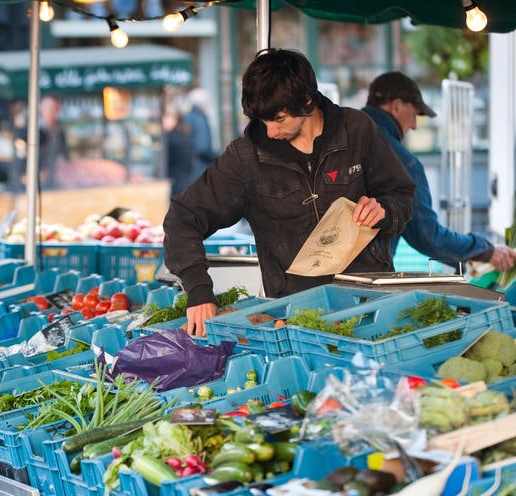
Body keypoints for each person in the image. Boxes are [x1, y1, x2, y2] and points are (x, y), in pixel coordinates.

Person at [162, 48, 415, 337]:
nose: (270, 131)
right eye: (262, 120)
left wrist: (384, 209)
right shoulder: (245, 159)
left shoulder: (357, 129)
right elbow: (183, 218)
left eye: (279, 119)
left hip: (370, 308)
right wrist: (198, 289)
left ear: (307, 99)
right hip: (294, 319)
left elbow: (402, 195)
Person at [363, 71, 516, 273]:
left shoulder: (339, 137)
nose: (415, 125)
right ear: (396, 105)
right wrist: (485, 250)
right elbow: (428, 236)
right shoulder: (401, 161)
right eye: (415, 114)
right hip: (363, 280)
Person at [183, 88, 218, 176]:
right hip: (199, 168)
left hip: (188, 168)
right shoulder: (200, 120)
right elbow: (202, 148)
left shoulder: (187, 117)